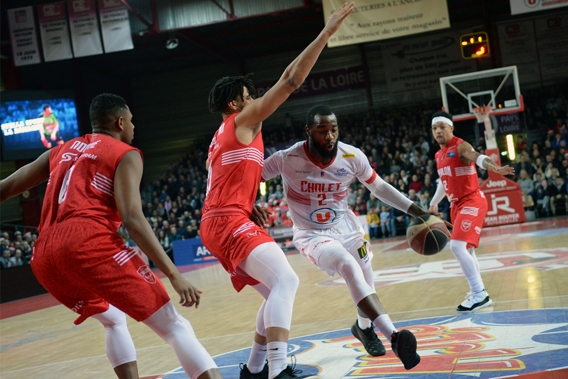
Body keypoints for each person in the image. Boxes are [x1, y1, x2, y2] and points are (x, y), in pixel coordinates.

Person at [0, 93, 223, 379]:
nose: (133, 126)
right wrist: (173, 274)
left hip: (43, 253)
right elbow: (132, 217)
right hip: (86, 241)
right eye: (131, 121)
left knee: (113, 318)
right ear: (120, 122)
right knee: (174, 325)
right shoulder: (125, 153)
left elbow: (5, 188)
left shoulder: (59, 151)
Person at [199, 4, 355, 379]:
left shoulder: (220, 139)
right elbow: (290, 81)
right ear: (235, 104)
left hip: (221, 219)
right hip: (226, 221)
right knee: (287, 280)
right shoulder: (241, 121)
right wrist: (326, 34)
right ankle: (278, 370)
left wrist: (245, 203)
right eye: (249, 95)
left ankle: (254, 370)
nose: (256, 99)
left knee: (274, 294)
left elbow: (221, 181)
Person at [261, 105, 437, 371]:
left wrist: (418, 211)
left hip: (346, 227)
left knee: (366, 281)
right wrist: (249, 201)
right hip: (311, 233)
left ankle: (364, 328)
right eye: (322, 131)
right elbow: (249, 178)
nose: (330, 136)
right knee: (347, 264)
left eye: (334, 129)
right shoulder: (286, 158)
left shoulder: (352, 155)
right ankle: (394, 336)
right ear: (308, 131)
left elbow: (378, 187)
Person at [429, 111, 515, 312]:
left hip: (472, 200)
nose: (438, 131)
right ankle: (478, 292)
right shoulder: (438, 154)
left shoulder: (461, 147)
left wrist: (494, 167)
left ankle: (479, 293)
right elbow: (444, 181)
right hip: (456, 205)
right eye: (434, 128)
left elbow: (477, 157)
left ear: (451, 127)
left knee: (456, 247)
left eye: (442, 126)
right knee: (466, 250)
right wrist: (434, 203)